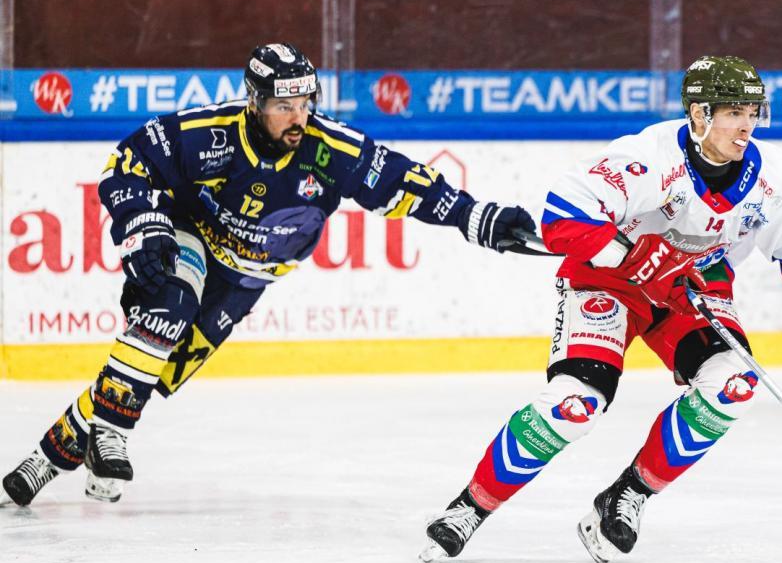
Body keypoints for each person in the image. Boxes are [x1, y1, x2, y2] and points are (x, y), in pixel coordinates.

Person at [0, 43, 534, 506]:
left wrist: (477, 218)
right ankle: (111, 432)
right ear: (255, 102)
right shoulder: (208, 134)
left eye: (305, 103)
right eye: (283, 105)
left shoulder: (332, 150)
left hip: (247, 279)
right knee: (168, 304)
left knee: (156, 377)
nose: (297, 117)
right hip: (193, 239)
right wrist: (144, 228)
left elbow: (407, 184)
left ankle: (53, 452)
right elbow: (128, 163)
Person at [417, 55, 782, 563]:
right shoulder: (650, 157)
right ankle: (470, 507)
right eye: (732, 112)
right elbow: (563, 214)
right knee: (575, 405)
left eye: (752, 111)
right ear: (699, 114)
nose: (746, 124)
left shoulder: (774, 177)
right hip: (608, 283)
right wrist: (629, 256)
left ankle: (627, 495)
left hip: (690, 288)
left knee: (733, 384)